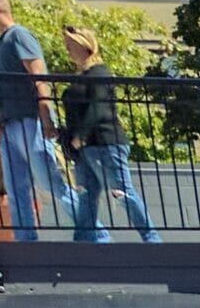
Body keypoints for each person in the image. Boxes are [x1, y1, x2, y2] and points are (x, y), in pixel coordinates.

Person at [0, 0, 73, 242]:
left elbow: (38, 75)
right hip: (11, 124)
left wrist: (46, 116)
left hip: (30, 120)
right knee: (16, 188)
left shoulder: (19, 35)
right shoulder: (2, 41)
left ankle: (93, 230)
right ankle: (25, 240)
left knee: (49, 181)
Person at [55, 27, 156, 245]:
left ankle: (151, 238)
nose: (67, 49)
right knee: (86, 194)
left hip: (104, 142)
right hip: (84, 148)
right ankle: (84, 240)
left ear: (85, 45)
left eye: (71, 44)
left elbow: (99, 107)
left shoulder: (99, 73)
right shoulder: (80, 77)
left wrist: (81, 136)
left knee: (121, 191)